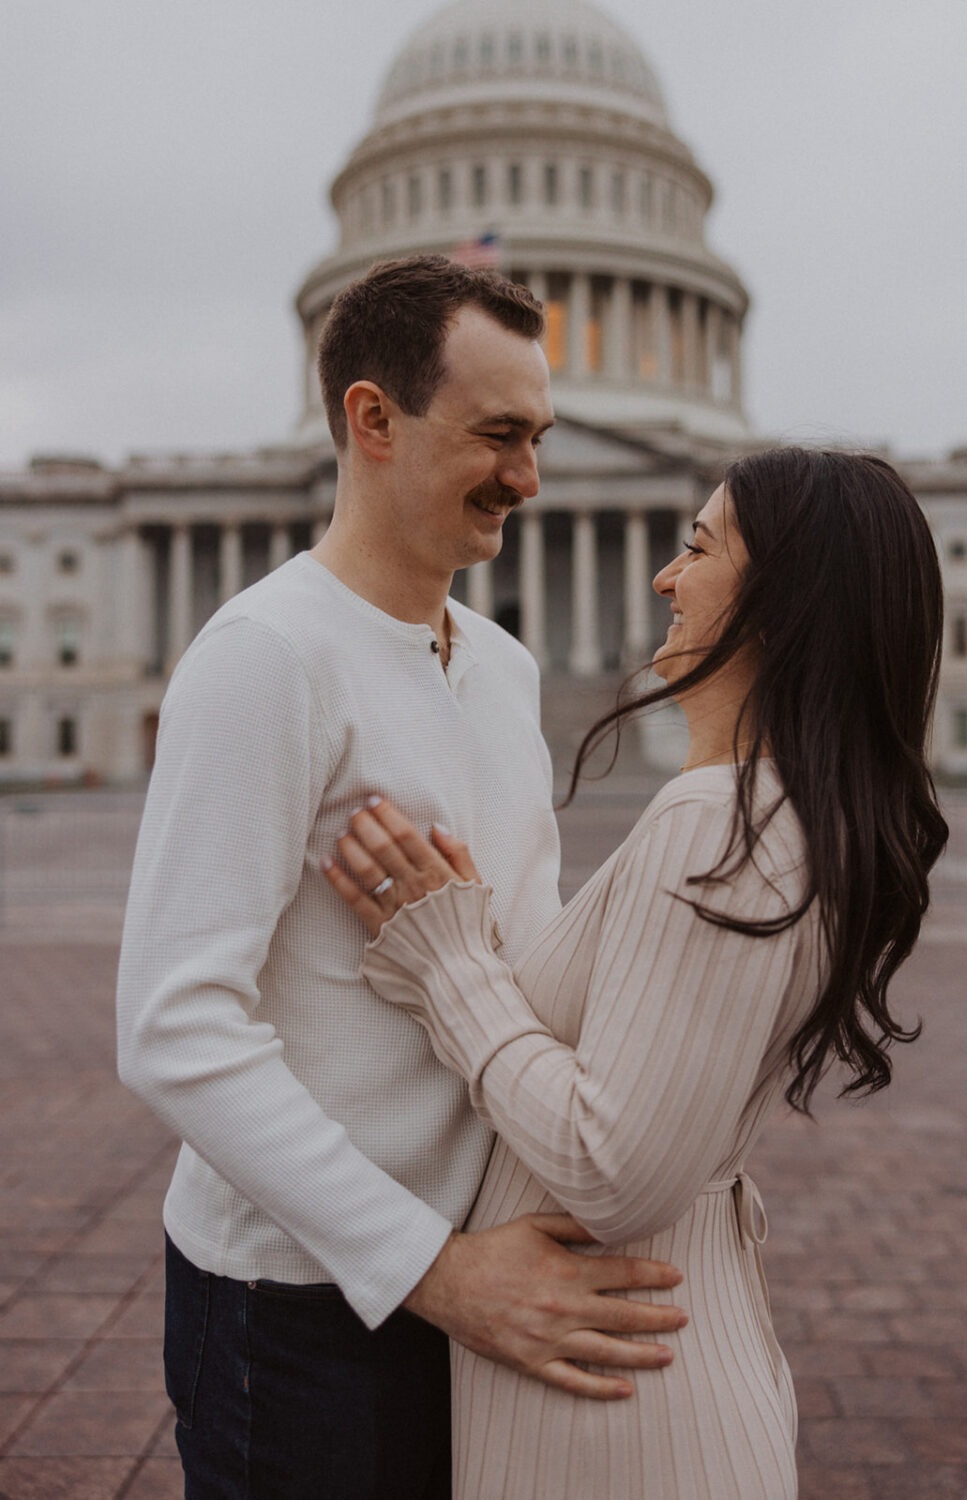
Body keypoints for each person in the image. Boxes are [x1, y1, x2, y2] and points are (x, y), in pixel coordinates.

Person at [116, 255, 686, 1500]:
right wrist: (435, 1270)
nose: (530, 478)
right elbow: (172, 1030)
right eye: (497, 435)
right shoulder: (265, 658)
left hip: (475, 1272)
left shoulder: (500, 666)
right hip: (297, 1301)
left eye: (536, 436)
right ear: (371, 418)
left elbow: (519, 962)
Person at [323, 446, 949, 1500]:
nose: (663, 577)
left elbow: (614, 1169)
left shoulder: (720, 822)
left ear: (782, 598)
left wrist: (449, 967)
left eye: (696, 547)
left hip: (622, 1409)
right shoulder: (779, 813)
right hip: (644, 1360)